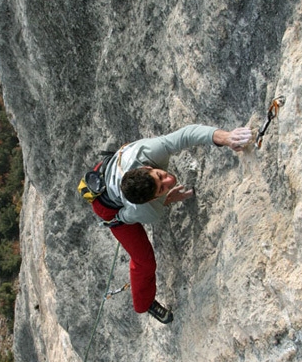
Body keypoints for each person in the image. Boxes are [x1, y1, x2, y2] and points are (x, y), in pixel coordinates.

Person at [91, 124, 252, 323]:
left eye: (160, 176)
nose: (170, 180)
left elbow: (185, 135)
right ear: (151, 200)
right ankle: (144, 304)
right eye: (162, 189)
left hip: (107, 171)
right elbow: (124, 216)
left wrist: (225, 137)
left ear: (147, 167)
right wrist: (165, 201)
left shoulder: (147, 152)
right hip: (108, 208)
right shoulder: (148, 211)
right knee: (144, 260)